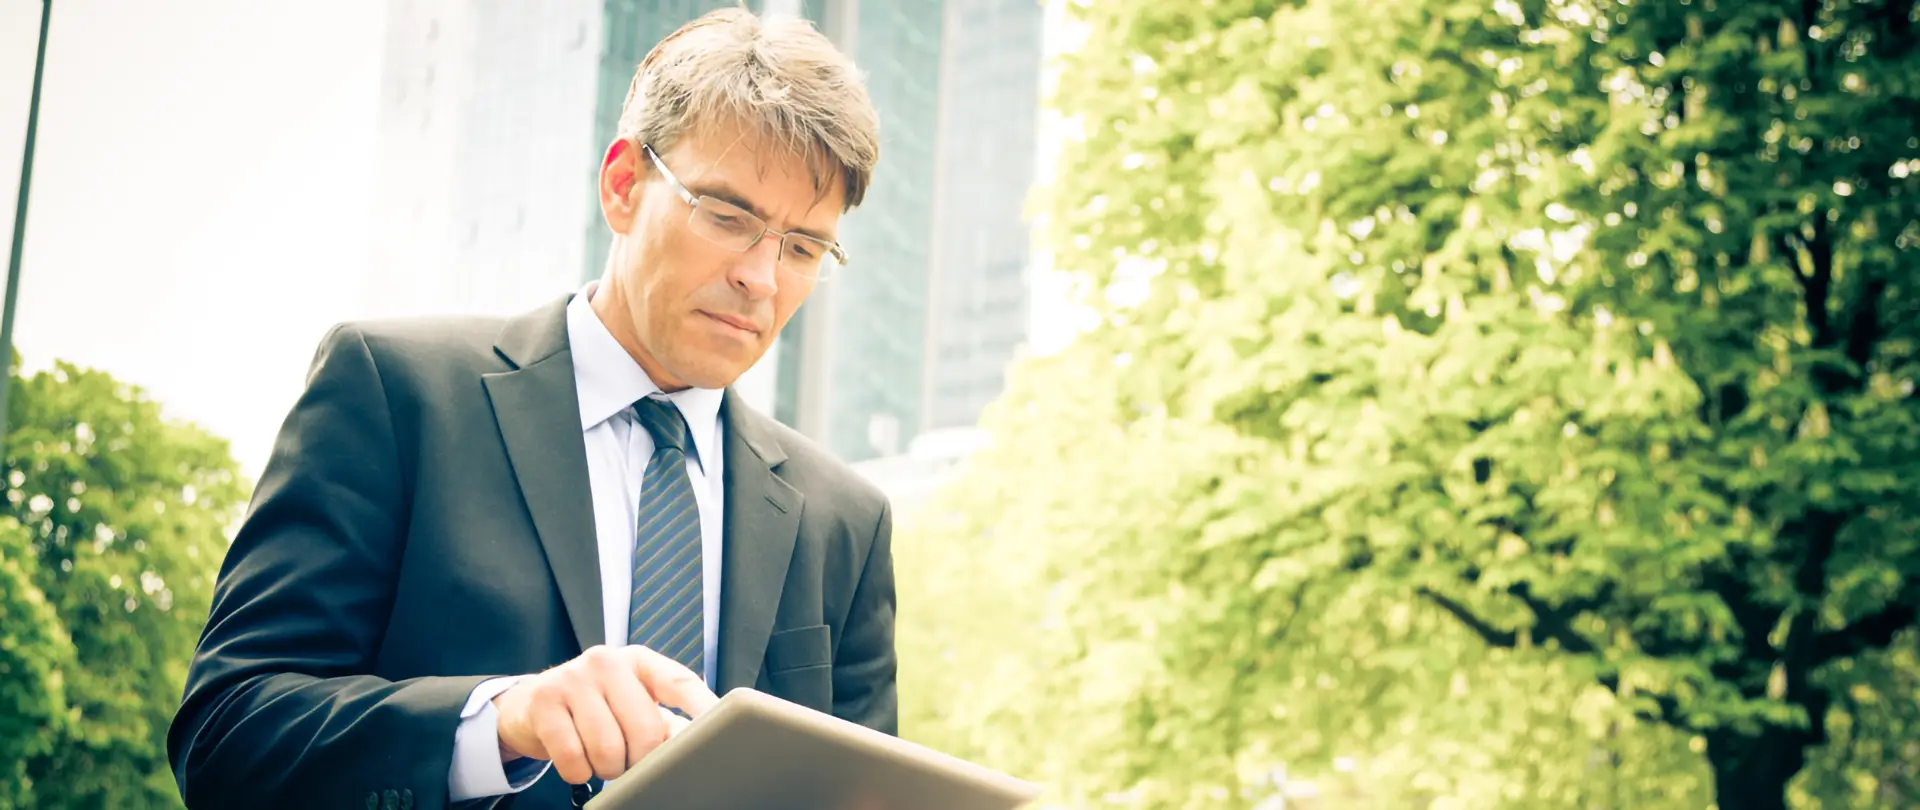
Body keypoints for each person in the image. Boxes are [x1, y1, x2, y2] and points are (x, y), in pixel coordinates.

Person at [166, 9, 891, 810]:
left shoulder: (845, 524)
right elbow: (227, 739)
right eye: (728, 217)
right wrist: (501, 722)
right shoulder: (395, 393)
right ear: (623, 186)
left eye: (802, 248)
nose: (762, 277)